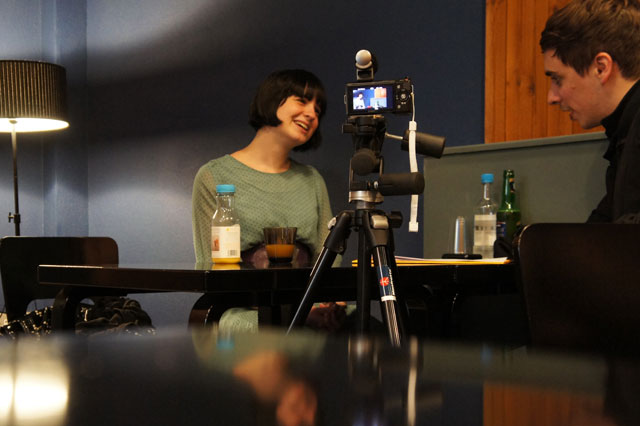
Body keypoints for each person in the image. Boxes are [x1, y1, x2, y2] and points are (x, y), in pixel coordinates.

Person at [192, 69, 346, 331]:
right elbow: (211, 269)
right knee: (280, 331)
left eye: (318, 110)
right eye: (302, 101)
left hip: (311, 305)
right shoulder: (214, 176)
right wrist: (295, 313)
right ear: (272, 99)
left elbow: (329, 255)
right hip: (244, 311)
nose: (312, 114)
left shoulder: (312, 180)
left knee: (372, 327)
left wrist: (326, 304)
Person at [540, 0, 640, 223]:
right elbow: (600, 229)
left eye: (558, 79)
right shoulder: (623, 132)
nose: (552, 97)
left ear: (601, 68)